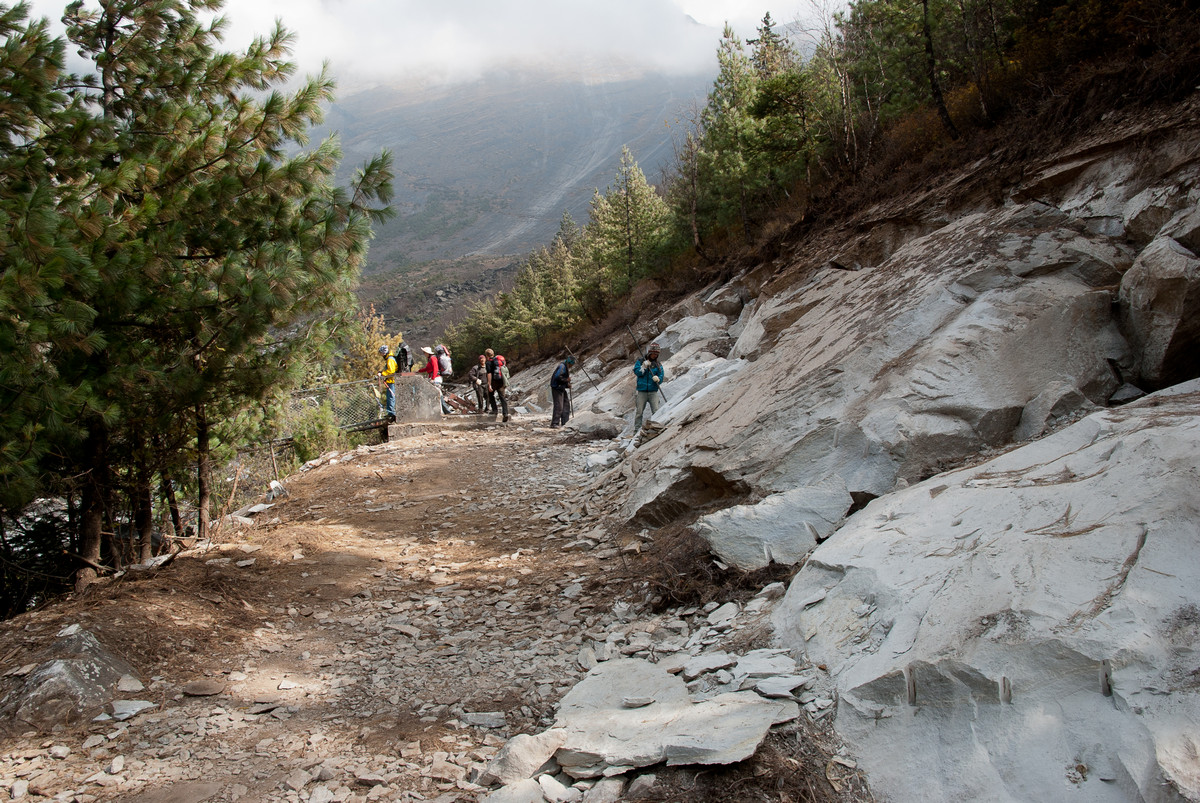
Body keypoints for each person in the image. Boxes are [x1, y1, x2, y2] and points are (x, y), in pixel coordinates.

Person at [633, 342, 665, 431]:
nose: (655, 355)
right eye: (654, 353)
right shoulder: (640, 361)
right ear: (650, 353)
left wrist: (658, 379)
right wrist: (643, 367)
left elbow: (661, 375)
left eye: (656, 354)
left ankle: (656, 427)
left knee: (656, 411)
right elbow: (637, 372)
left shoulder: (658, 365)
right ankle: (636, 431)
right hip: (641, 391)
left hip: (653, 391)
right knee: (639, 412)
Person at [549, 356, 574, 427]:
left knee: (566, 405)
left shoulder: (565, 367)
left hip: (561, 388)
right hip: (557, 388)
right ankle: (554, 423)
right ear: (569, 363)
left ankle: (565, 423)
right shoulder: (562, 366)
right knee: (559, 406)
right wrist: (567, 380)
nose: (571, 367)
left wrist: (567, 385)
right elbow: (558, 377)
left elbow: (561, 378)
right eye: (571, 365)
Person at [375, 345, 398, 422]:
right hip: (390, 381)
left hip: (392, 381)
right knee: (389, 397)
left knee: (391, 397)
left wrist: (382, 374)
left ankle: (392, 413)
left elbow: (391, 371)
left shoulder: (390, 360)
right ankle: (390, 412)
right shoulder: (389, 359)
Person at [486, 350, 510, 422]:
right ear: (493, 354)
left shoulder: (489, 362)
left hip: (494, 381)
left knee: (490, 395)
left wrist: (489, 385)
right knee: (502, 397)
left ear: (487, 355)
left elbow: (489, 374)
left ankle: (495, 410)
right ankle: (505, 413)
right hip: (501, 381)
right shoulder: (498, 361)